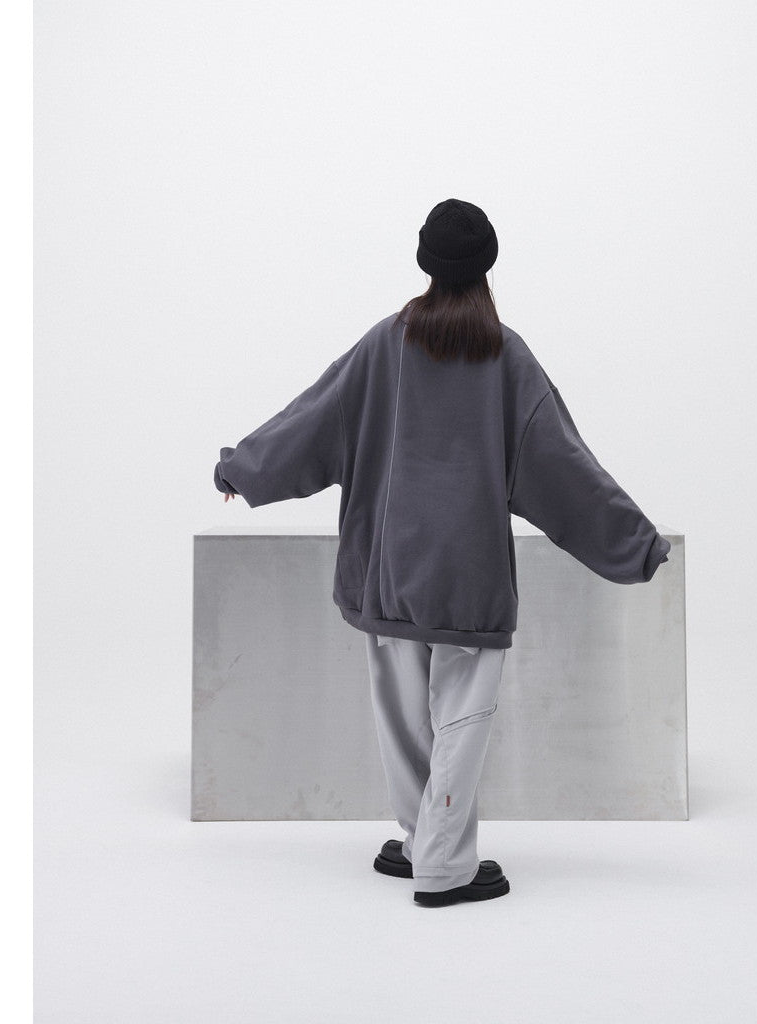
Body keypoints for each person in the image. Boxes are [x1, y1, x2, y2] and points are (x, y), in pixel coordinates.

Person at [213, 197, 671, 907]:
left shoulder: (383, 346)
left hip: (389, 571)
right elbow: (563, 468)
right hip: (468, 581)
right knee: (460, 722)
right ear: (487, 265)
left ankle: (422, 842)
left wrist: (243, 469)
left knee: (403, 724)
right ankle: (443, 865)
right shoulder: (506, 357)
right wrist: (633, 543)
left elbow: (313, 420)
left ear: (425, 261)